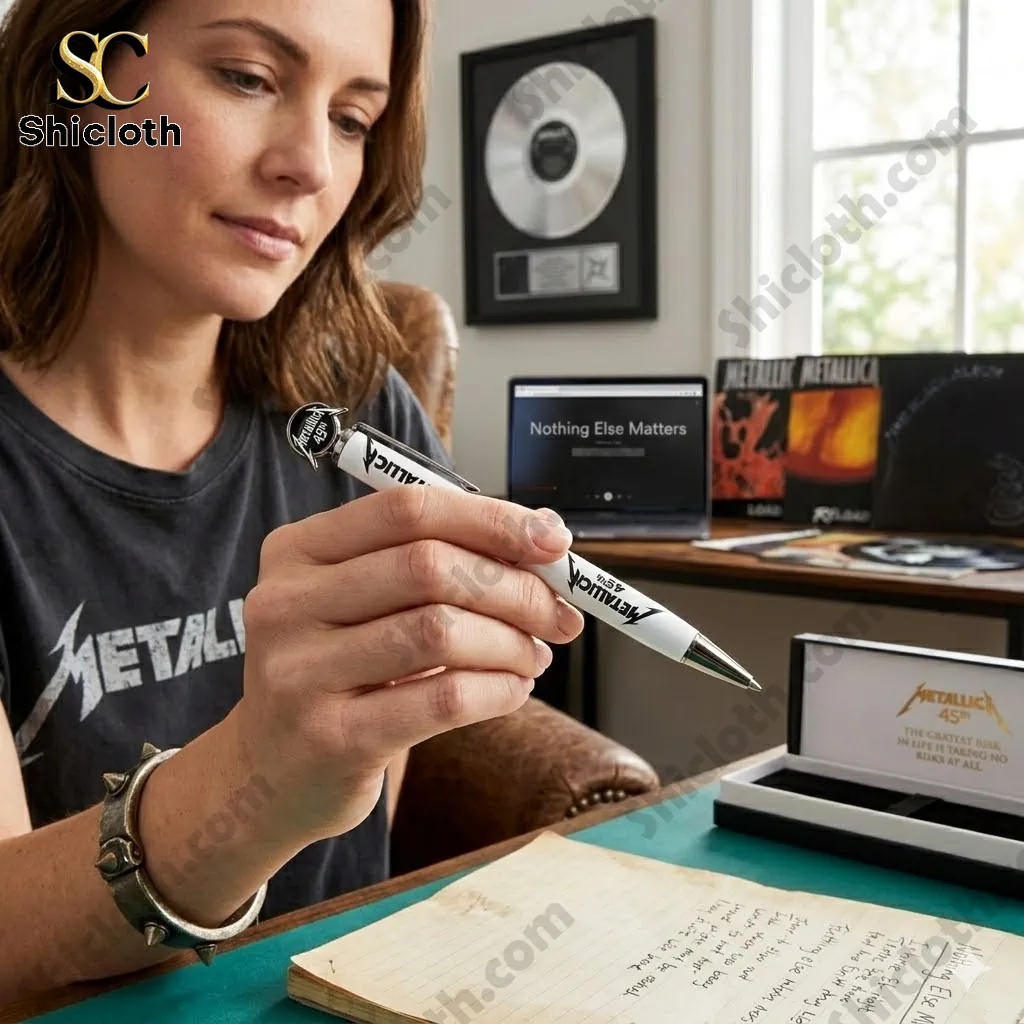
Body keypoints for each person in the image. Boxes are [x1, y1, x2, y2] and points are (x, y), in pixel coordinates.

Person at [0, 0, 584, 1006]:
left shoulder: (363, 410)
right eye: (247, 77)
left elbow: (359, 865)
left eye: (353, 120)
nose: (310, 166)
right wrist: (256, 779)